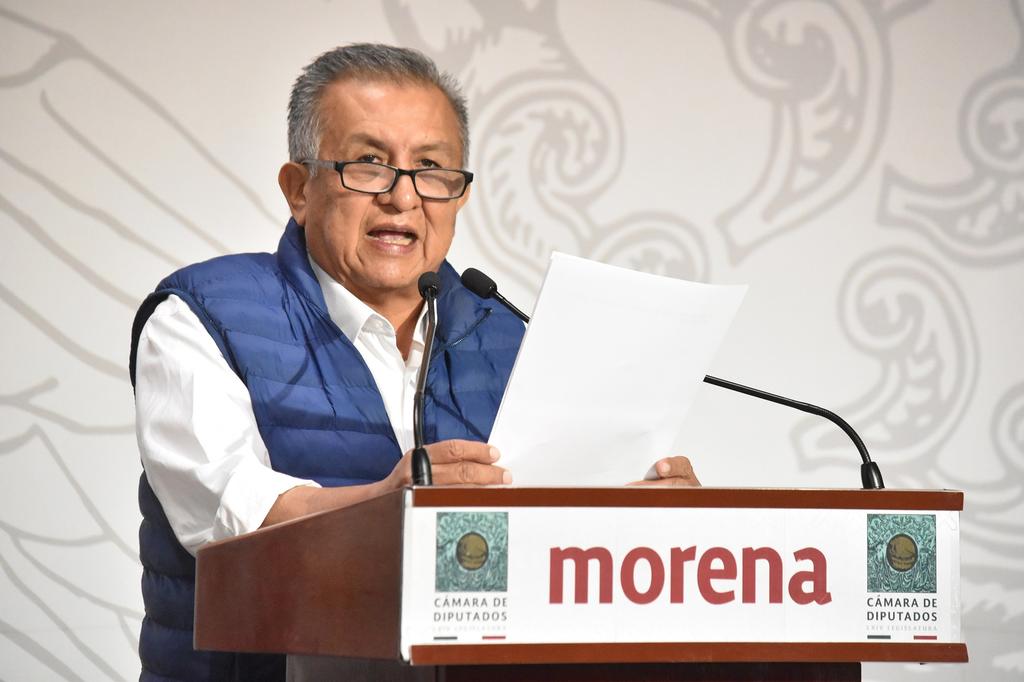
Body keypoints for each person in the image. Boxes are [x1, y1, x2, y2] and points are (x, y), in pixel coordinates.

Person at [130, 43, 699, 682]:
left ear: (458, 194)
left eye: (430, 168)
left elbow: (550, 553)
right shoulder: (202, 317)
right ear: (298, 189)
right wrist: (383, 509)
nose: (403, 198)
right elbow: (231, 519)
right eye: (369, 163)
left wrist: (644, 523)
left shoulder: (512, 340)